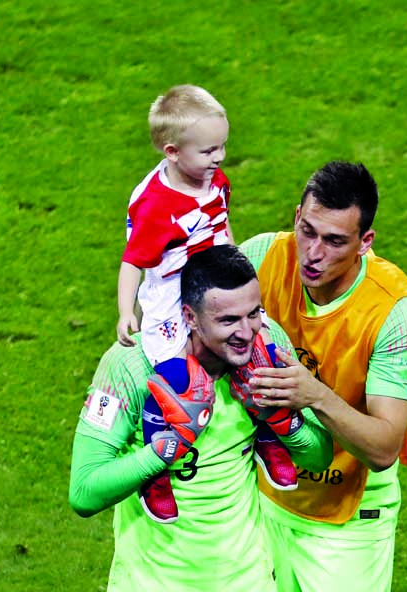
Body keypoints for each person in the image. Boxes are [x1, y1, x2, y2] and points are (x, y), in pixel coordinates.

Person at [70, 245, 333, 592]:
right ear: (190, 317)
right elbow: (84, 492)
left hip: (249, 581)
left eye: (253, 313)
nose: (247, 332)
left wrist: (280, 417)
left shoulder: (266, 353)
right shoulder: (131, 366)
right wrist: (167, 447)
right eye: (228, 320)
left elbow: (319, 455)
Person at [239, 161, 407, 592]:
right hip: (258, 498)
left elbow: (384, 448)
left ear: (365, 242)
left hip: (348, 521)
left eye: (334, 241)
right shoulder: (262, 258)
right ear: (295, 217)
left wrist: (314, 395)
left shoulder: (396, 312)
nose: (313, 252)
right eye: (307, 231)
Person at [115, 84, 299, 522]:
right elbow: (132, 264)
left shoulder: (214, 180)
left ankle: (270, 437)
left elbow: (222, 224)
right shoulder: (155, 206)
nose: (218, 159)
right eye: (209, 151)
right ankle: (155, 471)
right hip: (170, 297)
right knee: (175, 377)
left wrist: (239, 274)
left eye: (223, 147)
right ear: (173, 151)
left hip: (215, 282)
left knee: (258, 348)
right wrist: (127, 312)